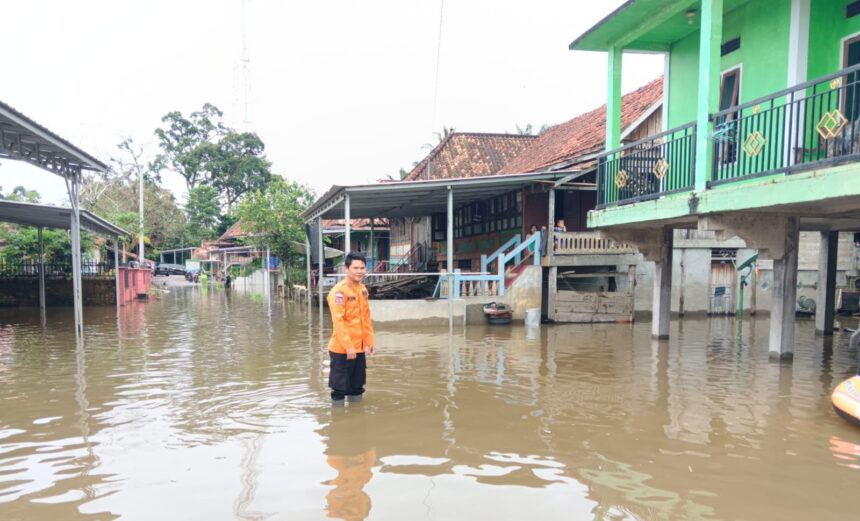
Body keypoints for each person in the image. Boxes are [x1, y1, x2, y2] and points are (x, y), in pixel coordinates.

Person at [326, 251, 375, 406]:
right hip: (342, 349)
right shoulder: (338, 291)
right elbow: (338, 322)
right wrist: (348, 346)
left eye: (362, 268)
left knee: (357, 387)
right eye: (355, 268)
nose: (359, 271)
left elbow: (365, 317)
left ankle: (357, 421)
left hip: (359, 348)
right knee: (339, 388)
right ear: (346, 269)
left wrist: (369, 341)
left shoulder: (362, 289)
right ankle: (339, 423)